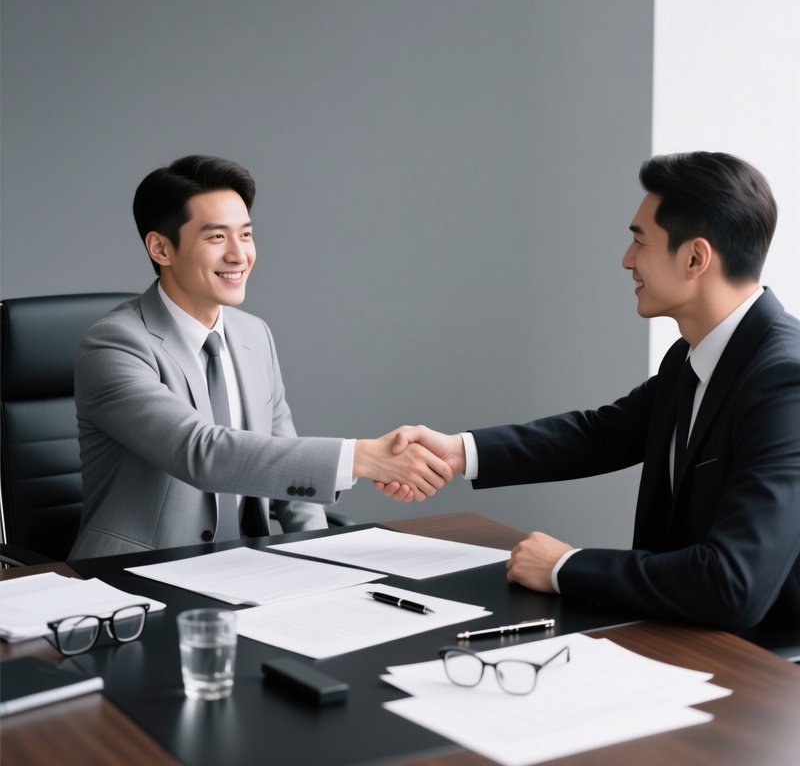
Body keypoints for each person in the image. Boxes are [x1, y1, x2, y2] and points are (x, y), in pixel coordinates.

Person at [379, 151, 800, 639]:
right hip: (678, 634)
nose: (626, 260)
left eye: (639, 241)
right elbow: (600, 435)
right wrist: (457, 452)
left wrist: (565, 567)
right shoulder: (693, 357)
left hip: (759, 665)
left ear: (694, 258)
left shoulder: (785, 382)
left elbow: (734, 583)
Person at [70, 155, 451, 559]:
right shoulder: (113, 345)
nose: (239, 255)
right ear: (161, 248)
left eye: (246, 235)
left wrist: (322, 556)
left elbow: (286, 465)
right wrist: (361, 457)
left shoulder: (254, 335)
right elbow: (201, 453)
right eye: (217, 238)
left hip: (247, 569)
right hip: (135, 575)